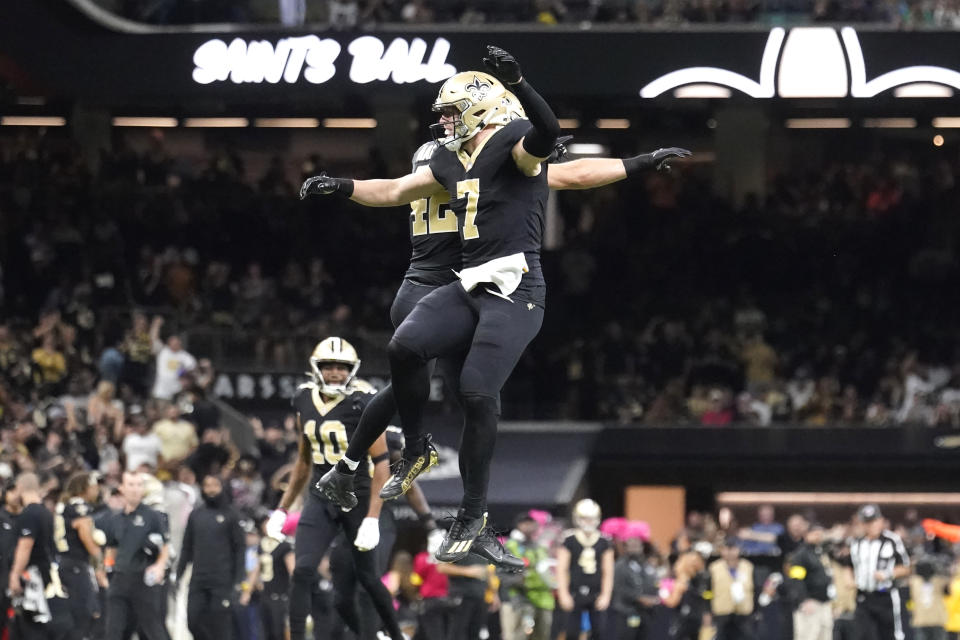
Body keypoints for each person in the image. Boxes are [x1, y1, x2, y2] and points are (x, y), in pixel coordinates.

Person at [307, 44, 691, 566]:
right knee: (404, 347)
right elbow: (398, 189)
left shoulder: (515, 144)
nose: (443, 122)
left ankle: (474, 516)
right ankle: (416, 446)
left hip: (516, 286)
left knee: (475, 390)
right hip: (469, 281)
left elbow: (553, 143)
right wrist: (343, 184)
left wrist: (526, 85)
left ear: (483, 108)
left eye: (451, 111)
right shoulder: (447, 157)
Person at [263, 337, 405, 640]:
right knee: (302, 571)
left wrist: (372, 517)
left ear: (352, 370)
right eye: (329, 366)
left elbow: (381, 462)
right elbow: (303, 460)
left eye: (342, 367)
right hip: (321, 493)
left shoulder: (363, 400)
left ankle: (393, 634)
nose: (336, 372)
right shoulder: (303, 399)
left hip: (359, 496)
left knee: (368, 577)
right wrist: (283, 508)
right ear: (317, 368)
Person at [176, 474, 246, 640]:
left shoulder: (231, 515)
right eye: (207, 485)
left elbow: (239, 550)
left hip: (222, 581)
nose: (211, 489)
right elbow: (187, 548)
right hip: (199, 579)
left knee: (220, 625)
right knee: (192, 621)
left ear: (222, 487)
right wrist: (178, 574)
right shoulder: (196, 515)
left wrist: (238, 581)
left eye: (215, 485)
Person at [102, 471, 170, 640]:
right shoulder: (115, 519)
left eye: (139, 485)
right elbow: (111, 548)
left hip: (143, 580)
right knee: (113, 630)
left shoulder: (153, 516)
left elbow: (165, 546)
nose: (135, 489)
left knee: (152, 629)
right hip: (119, 579)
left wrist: (159, 566)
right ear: (122, 488)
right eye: (131, 485)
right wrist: (107, 568)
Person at [8, 472, 72, 640]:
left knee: (30, 626)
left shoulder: (30, 513)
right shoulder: (45, 512)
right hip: (46, 572)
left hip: (32, 577)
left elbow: (25, 547)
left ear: (20, 487)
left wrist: (15, 574)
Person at [55, 472, 105, 640]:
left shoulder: (64, 505)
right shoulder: (78, 505)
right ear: (84, 488)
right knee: (85, 613)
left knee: (76, 612)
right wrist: (98, 556)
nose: (97, 490)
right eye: (93, 487)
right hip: (76, 564)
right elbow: (84, 531)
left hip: (66, 562)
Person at [850, 504, 910, 640]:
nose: (871, 526)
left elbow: (906, 567)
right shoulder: (856, 542)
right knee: (862, 635)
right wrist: (850, 580)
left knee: (890, 635)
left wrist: (887, 573)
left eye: (874, 521)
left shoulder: (892, 540)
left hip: (885, 596)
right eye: (867, 522)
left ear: (881, 521)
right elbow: (848, 564)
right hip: (863, 597)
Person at [557, 499, 614, 639]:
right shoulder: (569, 539)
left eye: (591, 518)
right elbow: (562, 569)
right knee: (571, 632)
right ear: (577, 518)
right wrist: (563, 593)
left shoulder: (604, 541)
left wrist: (606, 595)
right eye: (585, 518)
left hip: (596, 592)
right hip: (574, 591)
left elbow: (608, 571)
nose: (588, 522)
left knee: (599, 631)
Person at [501, 513, 555, 640]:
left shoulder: (539, 547)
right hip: (516, 598)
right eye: (525, 523)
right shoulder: (509, 546)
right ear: (518, 526)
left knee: (541, 635)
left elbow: (547, 572)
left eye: (532, 523)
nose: (529, 527)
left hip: (541, 599)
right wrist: (519, 581)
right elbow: (501, 574)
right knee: (516, 635)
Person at [784, 522, 834, 640]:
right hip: (810, 603)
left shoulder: (821, 553)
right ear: (807, 535)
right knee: (808, 635)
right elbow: (796, 579)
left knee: (825, 635)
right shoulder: (800, 555)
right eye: (815, 533)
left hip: (824, 602)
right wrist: (803, 600)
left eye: (820, 534)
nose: (818, 536)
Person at [706, 538, 755, 640]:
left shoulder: (748, 567)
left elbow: (755, 589)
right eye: (727, 549)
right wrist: (707, 611)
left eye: (733, 548)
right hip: (722, 613)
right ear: (722, 550)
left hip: (743, 613)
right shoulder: (714, 568)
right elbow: (708, 591)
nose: (730, 552)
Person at [257, 516, 294, 640]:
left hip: (280, 594)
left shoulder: (284, 546)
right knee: (266, 631)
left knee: (279, 631)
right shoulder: (262, 546)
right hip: (266, 593)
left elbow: (292, 569)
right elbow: (257, 568)